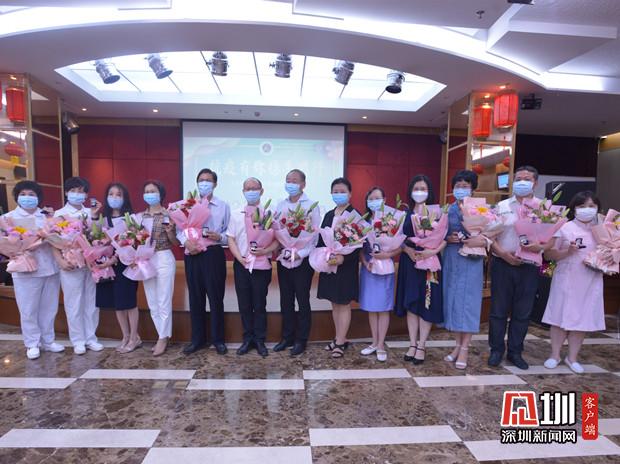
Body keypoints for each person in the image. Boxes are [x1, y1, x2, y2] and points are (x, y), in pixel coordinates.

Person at [488, 165, 552, 370]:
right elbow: (490, 236)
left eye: (527, 179)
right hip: (502, 263)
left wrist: (540, 247)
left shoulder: (544, 208)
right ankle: (496, 350)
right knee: (498, 310)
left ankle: (515, 352)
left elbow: (552, 239)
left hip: (529, 266)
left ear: (535, 183)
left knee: (522, 312)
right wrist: (503, 254)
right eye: (518, 179)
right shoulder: (502, 206)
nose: (522, 182)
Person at [542, 191, 605, 374]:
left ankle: (572, 358)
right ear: (574, 208)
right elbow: (548, 254)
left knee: (582, 318)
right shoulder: (564, 227)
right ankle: (554, 355)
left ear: (597, 208)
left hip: (590, 279)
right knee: (558, 317)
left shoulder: (602, 231)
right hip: (566, 278)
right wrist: (567, 252)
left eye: (591, 206)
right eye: (582, 206)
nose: (587, 210)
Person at [2, 181, 63, 360]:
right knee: (28, 308)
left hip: (49, 267)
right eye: (23, 194)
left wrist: (52, 236)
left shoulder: (47, 217)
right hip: (25, 269)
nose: (27, 198)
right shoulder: (8, 218)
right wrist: (10, 251)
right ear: (17, 197)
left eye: (31, 194)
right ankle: (32, 343)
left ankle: (48, 340)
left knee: (49, 307)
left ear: (38, 197)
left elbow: (58, 239)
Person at [177, 168, 230, 355]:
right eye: (201, 180)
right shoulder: (187, 204)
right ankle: (197, 340)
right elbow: (179, 230)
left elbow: (229, 233)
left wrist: (220, 237)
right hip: (192, 253)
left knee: (216, 298)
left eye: (208, 180)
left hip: (213, 254)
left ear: (215, 184)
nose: (204, 183)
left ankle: (218, 340)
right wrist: (186, 242)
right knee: (195, 297)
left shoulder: (223, 206)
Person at [395, 175, 445, 365]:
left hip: (430, 263)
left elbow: (444, 238)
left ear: (429, 191)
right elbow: (397, 238)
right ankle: (412, 343)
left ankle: (422, 345)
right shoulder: (404, 213)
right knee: (412, 302)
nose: (419, 192)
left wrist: (431, 251)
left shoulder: (437, 213)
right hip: (410, 262)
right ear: (410, 191)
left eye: (423, 188)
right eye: (416, 188)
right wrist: (407, 250)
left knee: (427, 302)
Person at [227, 177, 279, 357]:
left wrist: (265, 250)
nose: (251, 191)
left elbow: (277, 241)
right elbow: (231, 239)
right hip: (242, 264)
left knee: (259, 304)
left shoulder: (269, 214)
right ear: (243, 192)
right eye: (247, 189)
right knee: (244, 304)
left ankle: (260, 339)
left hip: (261, 265)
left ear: (261, 191)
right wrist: (240, 259)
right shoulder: (236, 213)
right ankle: (247, 339)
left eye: (254, 188)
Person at [442, 170, 488, 369]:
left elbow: (491, 233)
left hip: (472, 259)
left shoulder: (481, 209)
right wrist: (447, 238)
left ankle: (465, 348)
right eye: (458, 186)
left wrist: (481, 239)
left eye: (465, 186)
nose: (461, 189)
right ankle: (457, 345)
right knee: (453, 301)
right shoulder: (448, 209)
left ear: (473, 188)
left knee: (468, 303)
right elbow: (439, 233)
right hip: (452, 258)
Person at [53, 176, 104, 355]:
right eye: (73, 191)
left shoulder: (90, 212)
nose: (77, 194)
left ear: (86, 194)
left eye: (81, 191)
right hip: (71, 263)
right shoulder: (59, 214)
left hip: (90, 264)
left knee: (91, 301)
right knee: (73, 303)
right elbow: (53, 241)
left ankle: (91, 337)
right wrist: (60, 260)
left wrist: (95, 215)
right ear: (66, 192)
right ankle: (78, 340)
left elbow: (98, 236)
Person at [273, 169, 320, 356]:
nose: (290, 184)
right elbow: (277, 231)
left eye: (294, 180)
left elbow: (314, 236)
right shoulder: (280, 204)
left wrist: (300, 253)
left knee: (302, 300)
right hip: (284, 259)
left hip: (303, 261)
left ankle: (301, 339)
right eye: (288, 180)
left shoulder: (311, 206)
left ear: (303, 184)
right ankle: (287, 337)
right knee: (286, 300)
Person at [317, 177, 361, 359]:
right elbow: (321, 239)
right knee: (334, 303)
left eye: (342, 191)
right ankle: (338, 337)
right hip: (330, 265)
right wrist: (324, 256)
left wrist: (343, 257)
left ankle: (341, 342)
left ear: (350, 194)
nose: (338, 194)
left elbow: (358, 245)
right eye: (335, 191)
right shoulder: (328, 215)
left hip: (345, 267)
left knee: (343, 304)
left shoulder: (354, 215)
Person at [95, 183, 140, 353]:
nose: (114, 198)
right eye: (111, 194)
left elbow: (136, 243)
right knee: (118, 304)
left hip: (126, 265)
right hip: (107, 267)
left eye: (118, 194)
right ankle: (125, 336)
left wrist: (114, 258)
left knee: (129, 302)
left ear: (124, 198)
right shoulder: (103, 220)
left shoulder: (131, 219)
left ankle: (134, 337)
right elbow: (95, 241)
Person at [359, 186, 401, 362]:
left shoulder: (392, 221)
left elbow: (400, 246)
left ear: (384, 200)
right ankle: (374, 342)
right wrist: (365, 263)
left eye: (377, 198)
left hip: (385, 268)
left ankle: (381, 344)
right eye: (371, 199)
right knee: (371, 307)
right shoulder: (363, 221)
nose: (374, 202)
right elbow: (359, 247)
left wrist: (387, 254)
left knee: (383, 308)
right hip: (369, 269)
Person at [139, 180, 179, 356]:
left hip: (163, 257)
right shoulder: (138, 218)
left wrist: (170, 232)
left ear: (160, 194)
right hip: (146, 260)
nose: (149, 194)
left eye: (153, 191)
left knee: (164, 300)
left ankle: (163, 338)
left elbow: (176, 243)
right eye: (147, 191)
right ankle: (161, 334)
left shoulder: (168, 214)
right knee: (152, 302)